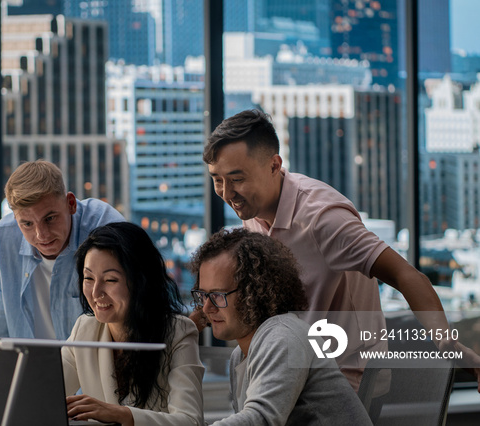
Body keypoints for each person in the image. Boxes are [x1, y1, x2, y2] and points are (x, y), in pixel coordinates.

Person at [198, 108, 480, 391]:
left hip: (349, 381)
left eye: (237, 179)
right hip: (297, 371)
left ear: (274, 165)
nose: (226, 193)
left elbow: (406, 275)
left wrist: (447, 343)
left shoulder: (322, 218)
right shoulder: (251, 211)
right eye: (216, 179)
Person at [191, 228, 373, 425]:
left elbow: (260, 419)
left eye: (218, 295)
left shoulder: (283, 337)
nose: (207, 307)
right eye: (203, 295)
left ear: (255, 292)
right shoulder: (241, 354)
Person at [62, 222, 204, 426]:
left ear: (141, 281)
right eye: (88, 278)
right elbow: (44, 396)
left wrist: (122, 415)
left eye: (110, 280)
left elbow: (190, 421)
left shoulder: (178, 332)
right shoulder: (84, 329)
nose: (95, 293)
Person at [0, 160, 125, 339]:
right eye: (27, 224)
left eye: (50, 218)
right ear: (15, 218)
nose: (41, 234)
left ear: (71, 203)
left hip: (95, 364)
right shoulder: (2, 239)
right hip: (28, 364)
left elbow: (138, 311)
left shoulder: (107, 228)